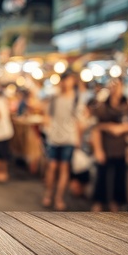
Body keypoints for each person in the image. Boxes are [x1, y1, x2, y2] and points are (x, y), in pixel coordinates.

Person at [91, 79, 128, 211]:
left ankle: (115, 202)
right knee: (102, 176)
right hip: (105, 146)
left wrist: (120, 128)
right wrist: (98, 149)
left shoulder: (126, 104)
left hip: (121, 147)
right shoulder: (103, 106)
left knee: (119, 177)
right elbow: (95, 128)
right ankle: (99, 201)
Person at [43, 71, 81, 210]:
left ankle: (59, 198)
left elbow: (78, 120)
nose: (66, 83)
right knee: (52, 167)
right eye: (65, 80)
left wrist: (78, 139)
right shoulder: (54, 97)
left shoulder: (77, 98)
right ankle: (48, 194)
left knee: (64, 168)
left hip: (69, 138)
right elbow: (47, 115)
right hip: (54, 138)